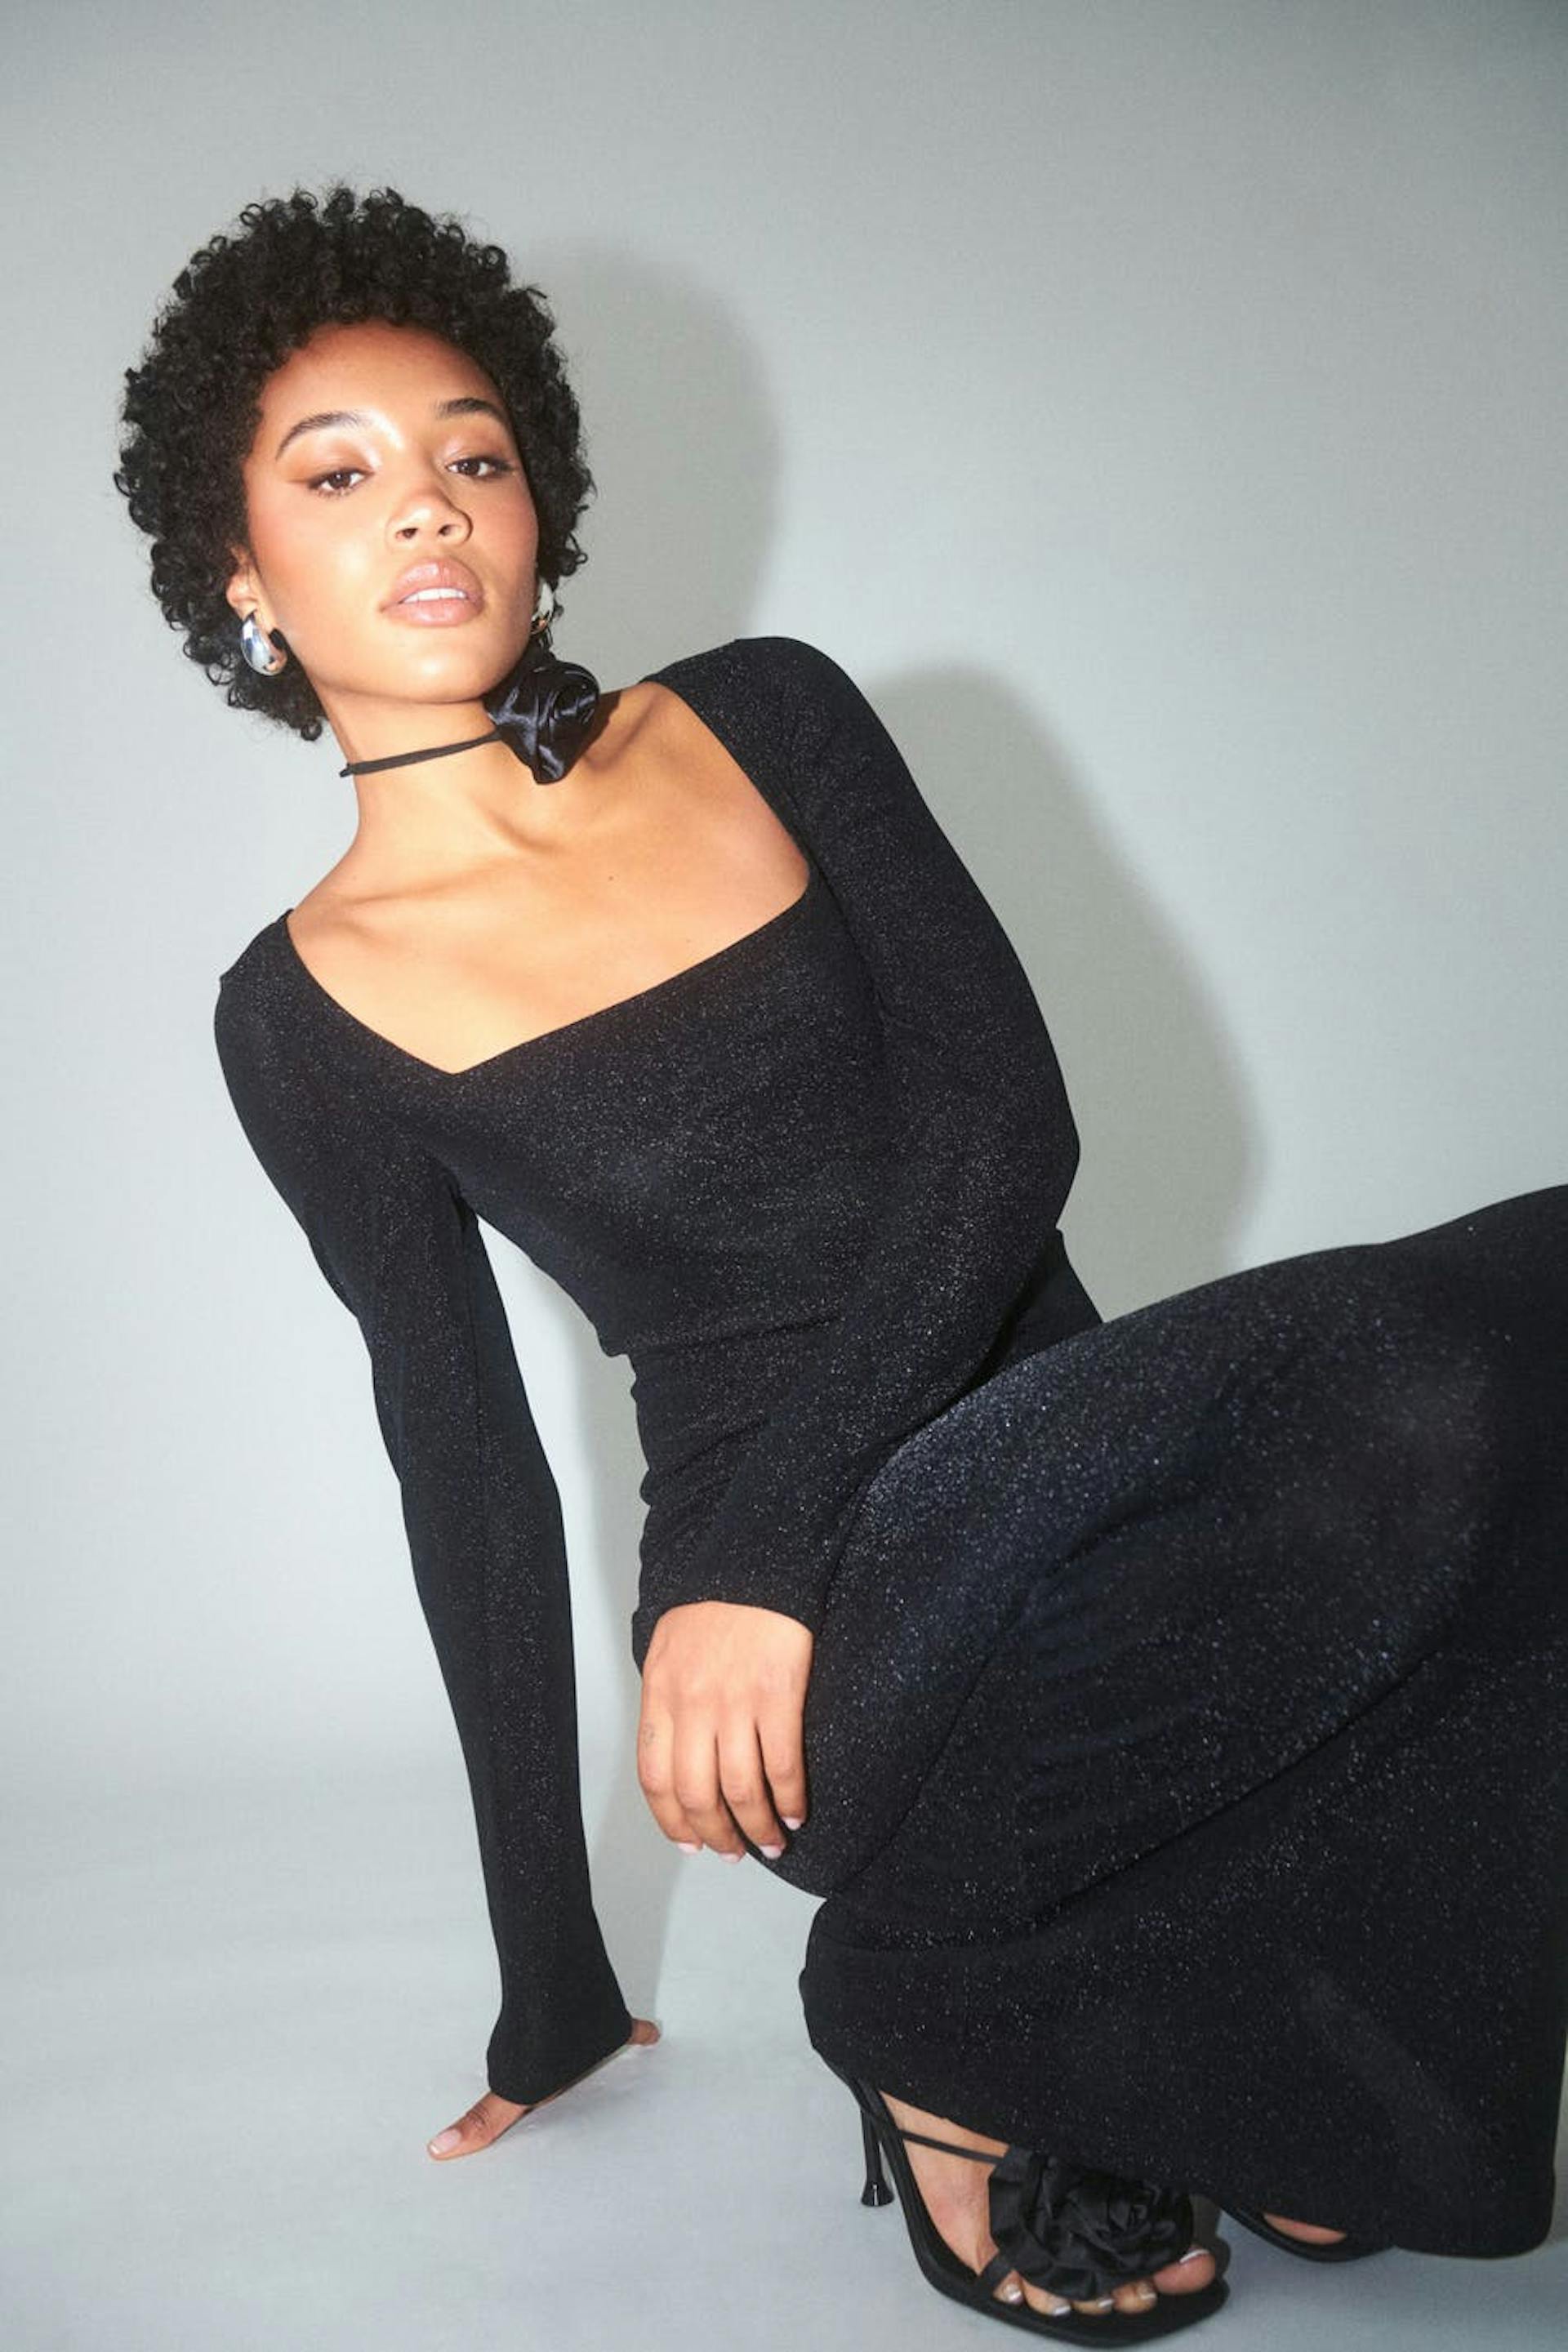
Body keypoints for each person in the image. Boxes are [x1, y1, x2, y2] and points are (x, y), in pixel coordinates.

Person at [115, 182, 1568, 2341]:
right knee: (1422, 1380)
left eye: (474, 454)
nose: (428, 507)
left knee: (1496, 1359)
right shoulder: (301, 1009)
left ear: (538, 506)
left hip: (1037, 1498)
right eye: (339, 476)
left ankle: (1177, 1999)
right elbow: (467, 1469)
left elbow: (1007, 1132)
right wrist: (553, 1985)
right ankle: (927, 2022)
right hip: (807, 1666)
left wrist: (755, 1548)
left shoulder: (763, 717)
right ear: (238, 574)